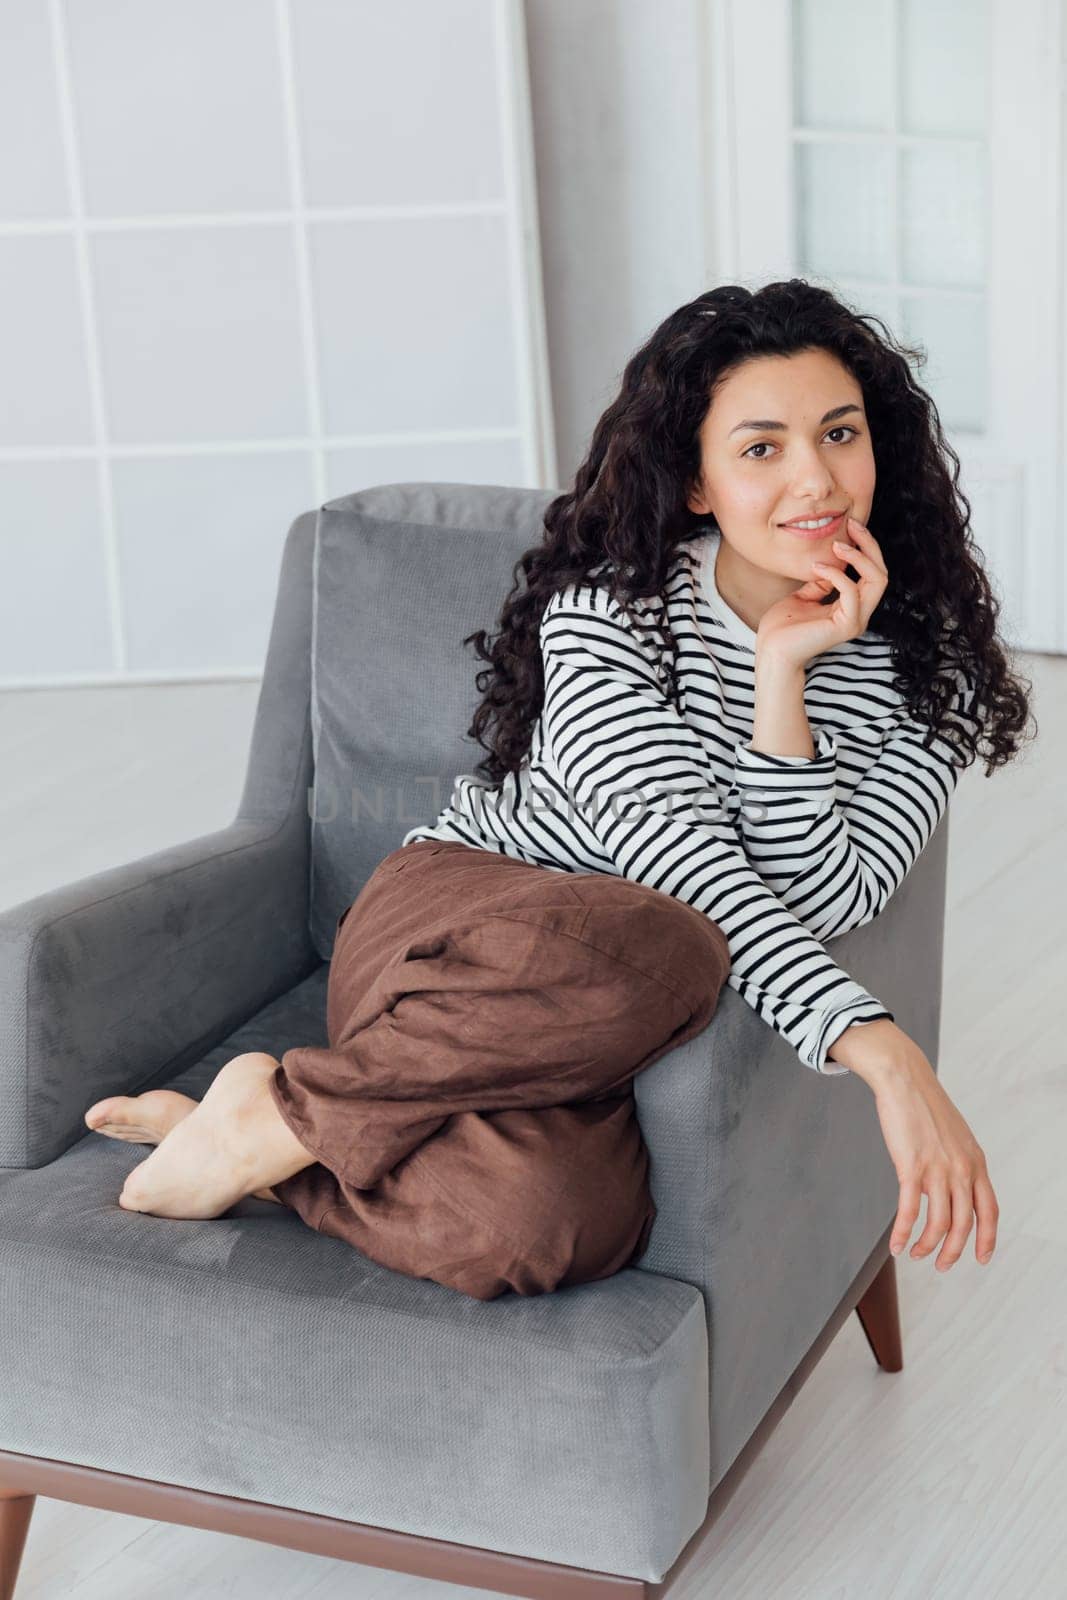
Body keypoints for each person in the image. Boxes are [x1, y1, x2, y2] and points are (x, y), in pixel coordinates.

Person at [84, 280, 1030, 1297]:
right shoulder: (610, 611)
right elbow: (680, 864)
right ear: (699, 483)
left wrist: (780, 680)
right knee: (668, 937)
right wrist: (881, 1050)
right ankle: (281, 1119)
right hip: (459, 928)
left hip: (622, 1011)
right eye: (761, 447)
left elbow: (822, 900)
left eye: (838, 433)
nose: (816, 479)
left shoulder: (933, 675)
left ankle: (258, 1126)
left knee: (545, 1226)